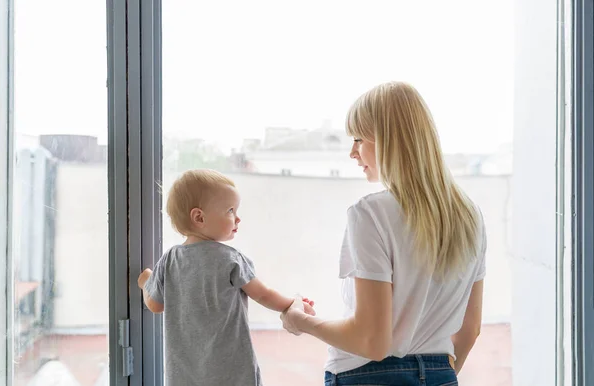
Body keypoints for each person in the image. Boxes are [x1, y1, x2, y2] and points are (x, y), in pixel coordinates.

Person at [280, 81, 486, 386]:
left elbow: (371, 342)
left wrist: (301, 321)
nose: (352, 152)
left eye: (359, 139)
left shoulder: (370, 213)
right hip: (440, 374)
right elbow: (470, 330)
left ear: (388, 140)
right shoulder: (469, 214)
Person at [138, 169, 314, 386]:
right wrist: (292, 303)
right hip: (232, 374)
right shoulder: (230, 259)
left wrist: (146, 281)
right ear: (199, 217)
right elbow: (263, 294)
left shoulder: (170, 259)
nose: (238, 218)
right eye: (231, 210)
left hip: (184, 378)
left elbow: (155, 304)